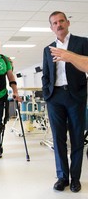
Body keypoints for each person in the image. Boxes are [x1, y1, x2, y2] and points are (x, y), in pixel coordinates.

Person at [42, 11, 88, 193]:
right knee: (58, 138)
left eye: (61, 21)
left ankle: (75, 178)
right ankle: (62, 177)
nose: (59, 24)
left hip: (76, 95)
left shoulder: (82, 42)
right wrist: (48, 94)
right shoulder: (48, 49)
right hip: (55, 97)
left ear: (68, 22)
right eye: (55, 23)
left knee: (77, 137)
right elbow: (46, 74)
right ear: (51, 27)